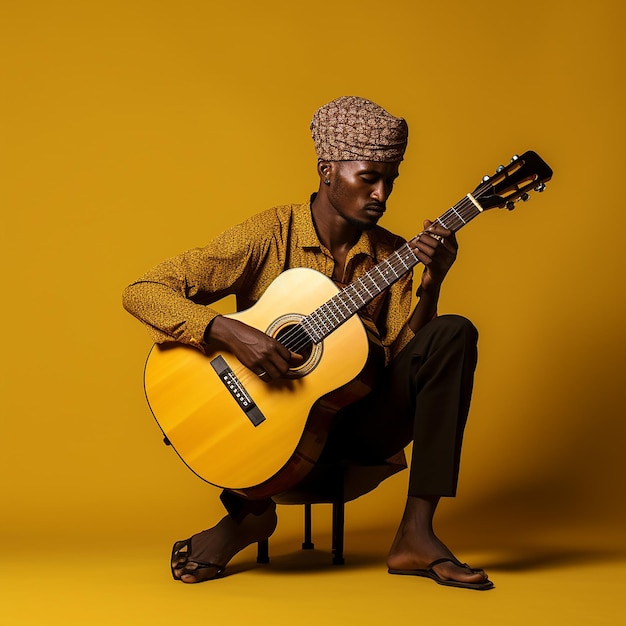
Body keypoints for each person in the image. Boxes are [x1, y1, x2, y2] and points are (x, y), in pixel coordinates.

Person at [122, 96, 493, 590]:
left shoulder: (394, 256)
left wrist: (432, 285)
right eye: (369, 179)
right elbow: (142, 292)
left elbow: (412, 360)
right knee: (281, 407)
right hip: (270, 423)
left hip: (356, 423)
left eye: (391, 181)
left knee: (455, 331)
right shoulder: (269, 234)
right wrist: (230, 331)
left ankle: (416, 534)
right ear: (328, 170)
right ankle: (247, 515)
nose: (382, 194)